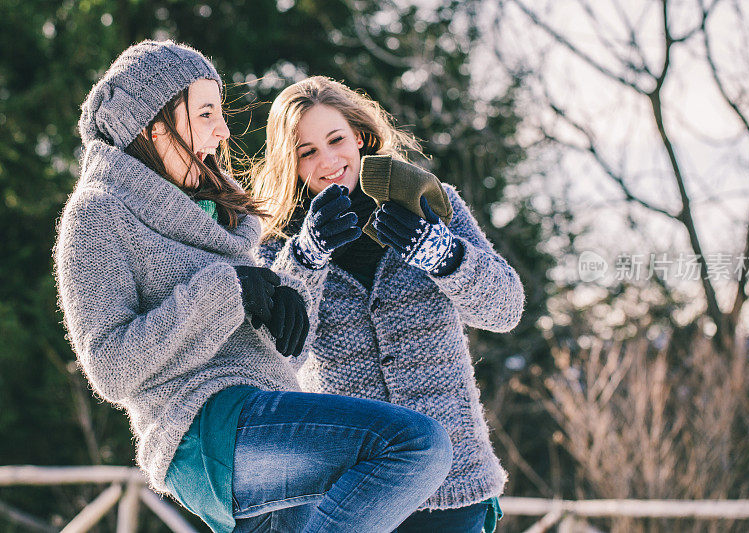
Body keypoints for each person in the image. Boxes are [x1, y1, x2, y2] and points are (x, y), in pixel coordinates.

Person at [55, 42, 452, 533]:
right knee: (415, 445)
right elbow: (111, 366)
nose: (222, 131)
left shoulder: (216, 213)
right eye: (205, 113)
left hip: (261, 420)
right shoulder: (98, 213)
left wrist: (279, 296)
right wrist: (227, 290)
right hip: (203, 427)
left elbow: (257, 338)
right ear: (153, 125)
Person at [254, 76, 524, 533]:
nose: (328, 160)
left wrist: (445, 255)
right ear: (292, 163)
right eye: (307, 151)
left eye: (336, 139)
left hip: (454, 486)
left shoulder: (428, 203)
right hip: (355, 494)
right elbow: (277, 362)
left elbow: (504, 309)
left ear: (359, 137)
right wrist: (306, 259)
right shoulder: (276, 246)